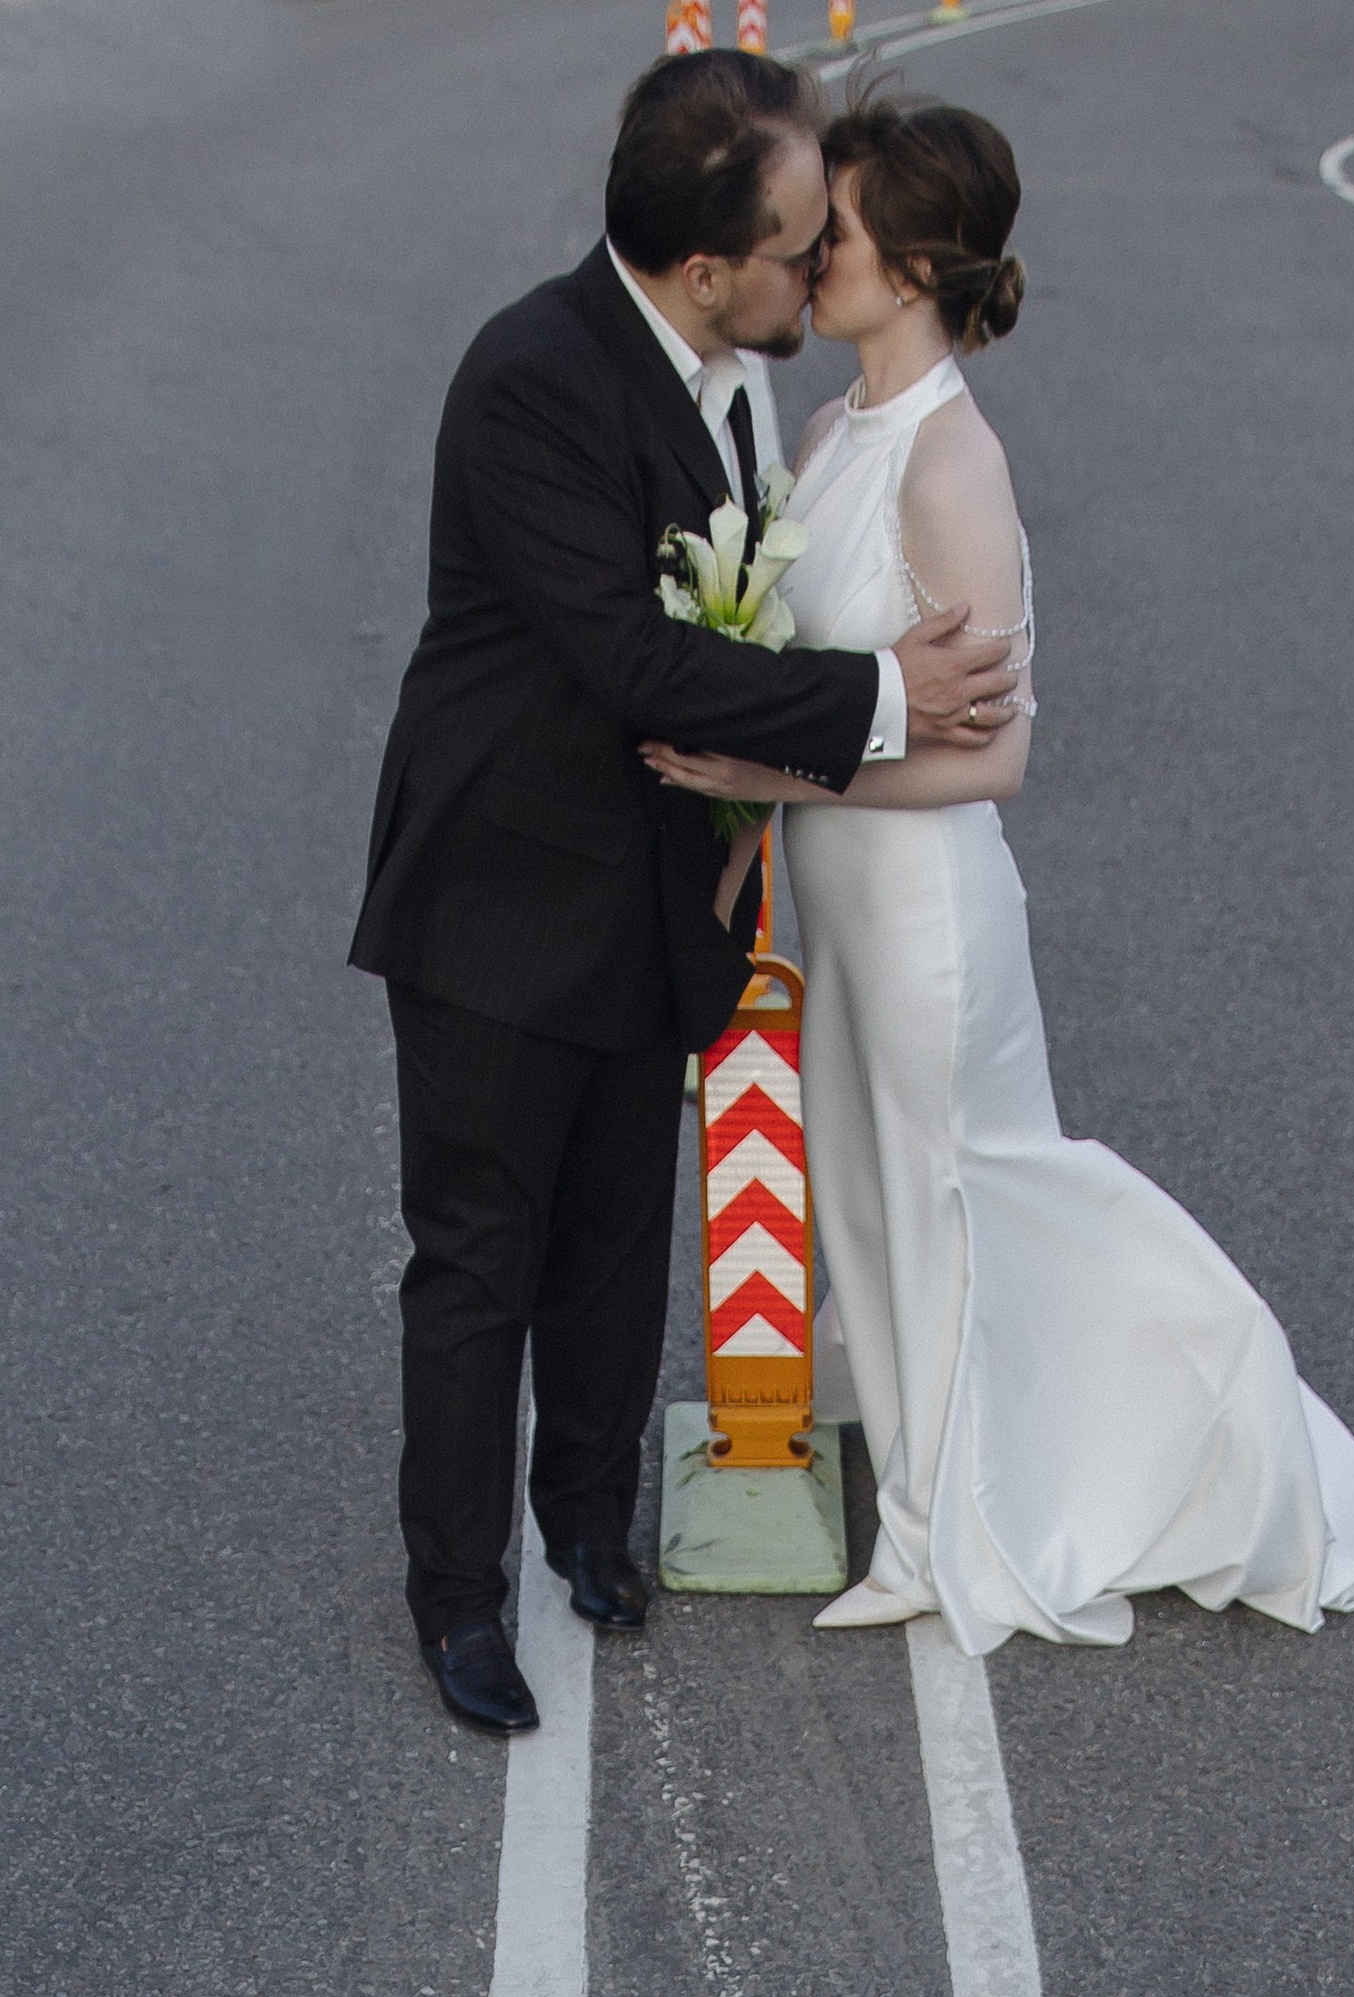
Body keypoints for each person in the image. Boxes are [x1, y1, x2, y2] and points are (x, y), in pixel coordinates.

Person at [642, 96, 1354, 1655]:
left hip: (924, 910)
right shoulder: (833, 433)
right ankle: (918, 1498)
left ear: (910, 269)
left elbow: (998, 756)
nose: (809, 255)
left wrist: (775, 771)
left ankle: (1006, 1496)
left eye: (839, 235)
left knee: (966, 1197)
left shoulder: (951, 464)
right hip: (841, 899)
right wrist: (755, 803)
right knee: (877, 1207)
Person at [352, 51, 1019, 1732]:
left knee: (610, 1245)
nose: (819, 269)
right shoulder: (535, 379)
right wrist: (882, 701)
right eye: (799, 245)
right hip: (502, 902)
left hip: (654, 889)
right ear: (708, 267)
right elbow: (636, 656)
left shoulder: (734, 374)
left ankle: (587, 1518)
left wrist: (750, 824)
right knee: (480, 1258)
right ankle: (458, 1598)